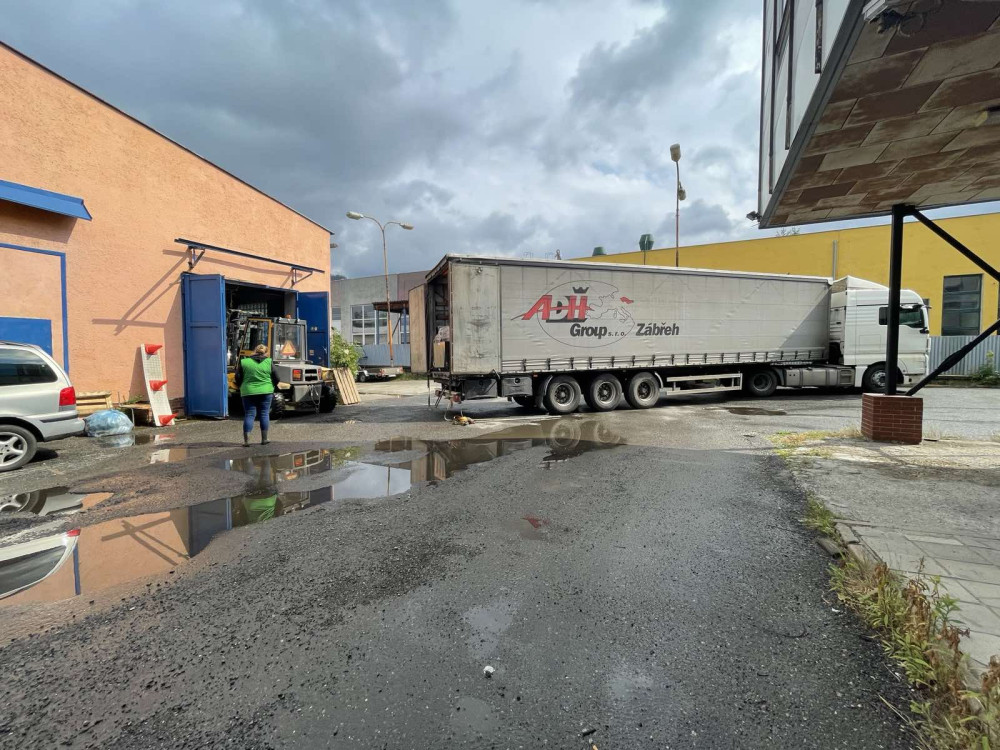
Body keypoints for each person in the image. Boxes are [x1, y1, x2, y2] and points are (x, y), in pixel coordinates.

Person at [234, 344, 280, 446]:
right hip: (266, 391)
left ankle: (246, 441)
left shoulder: (244, 362)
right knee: (264, 413)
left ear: (255, 351)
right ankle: (264, 439)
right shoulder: (269, 362)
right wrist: (272, 386)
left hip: (248, 391)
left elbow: (237, 377)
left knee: (249, 414)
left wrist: (242, 386)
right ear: (266, 352)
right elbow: (277, 377)